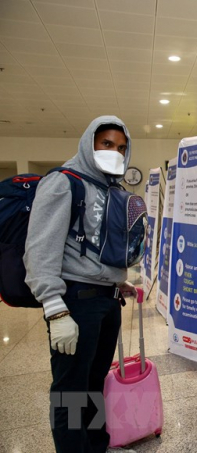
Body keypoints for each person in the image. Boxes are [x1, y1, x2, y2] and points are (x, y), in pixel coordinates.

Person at [23, 116, 139, 453]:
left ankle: (96, 446)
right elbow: (40, 248)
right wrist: (55, 309)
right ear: (90, 143)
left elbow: (95, 247)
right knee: (71, 392)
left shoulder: (111, 189)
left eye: (121, 147)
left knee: (94, 384)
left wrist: (116, 281)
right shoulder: (63, 182)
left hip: (106, 302)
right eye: (106, 144)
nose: (114, 152)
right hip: (75, 304)